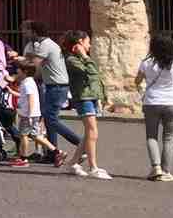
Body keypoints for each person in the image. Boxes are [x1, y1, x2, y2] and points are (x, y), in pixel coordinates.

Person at [21, 21, 81, 155]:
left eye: (26, 30)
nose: (23, 33)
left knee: (50, 118)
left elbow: (33, 66)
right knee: (49, 119)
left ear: (34, 31)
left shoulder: (46, 45)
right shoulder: (36, 45)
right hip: (50, 85)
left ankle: (80, 143)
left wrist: (17, 60)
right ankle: (52, 153)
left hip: (58, 86)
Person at [62, 32, 111, 180]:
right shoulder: (71, 59)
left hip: (91, 96)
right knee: (92, 131)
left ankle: (73, 163)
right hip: (83, 98)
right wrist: (84, 55)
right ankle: (93, 167)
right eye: (87, 42)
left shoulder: (78, 59)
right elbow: (92, 72)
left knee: (90, 133)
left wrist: (103, 97)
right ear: (80, 42)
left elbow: (96, 78)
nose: (89, 45)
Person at [135, 36, 173, 182]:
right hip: (172, 103)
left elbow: (137, 80)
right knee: (168, 137)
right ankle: (166, 171)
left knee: (152, 136)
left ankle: (155, 167)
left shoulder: (146, 63)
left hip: (152, 102)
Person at [8, 59, 55, 167]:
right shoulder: (28, 81)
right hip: (32, 114)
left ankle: (23, 159)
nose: (17, 72)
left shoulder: (27, 83)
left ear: (24, 71)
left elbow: (31, 98)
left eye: (18, 70)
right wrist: (12, 92)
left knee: (23, 135)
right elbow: (24, 96)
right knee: (35, 135)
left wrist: (29, 114)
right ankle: (56, 151)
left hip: (28, 114)